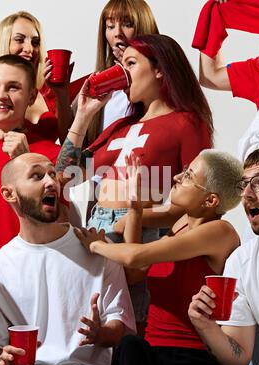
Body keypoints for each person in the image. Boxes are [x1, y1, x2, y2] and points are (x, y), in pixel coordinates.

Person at [57, 34, 213, 328]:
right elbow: (64, 177)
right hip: (97, 228)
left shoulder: (187, 122)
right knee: (94, 320)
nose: (123, 72)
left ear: (159, 69)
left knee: (130, 324)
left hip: (140, 230)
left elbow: (199, 198)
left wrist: (137, 216)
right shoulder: (119, 126)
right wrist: (83, 117)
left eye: (131, 62)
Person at [74, 149, 243, 365]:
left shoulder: (220, 232)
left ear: (211, 200)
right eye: (184, 171)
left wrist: (95, 246)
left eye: (189, 176)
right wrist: (135, 207)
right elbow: (135, 272)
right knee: (130, 346)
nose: (177, 178)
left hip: (191, 359)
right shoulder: (182, 223)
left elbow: (136, 255)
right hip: (153, 353)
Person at [0, 152, 135, 365]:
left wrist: (100, 334)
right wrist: (4, 362)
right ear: (9, 193)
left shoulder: (97, 247)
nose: (51, 182)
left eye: (51, 174)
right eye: (37, 176)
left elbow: (120, 323)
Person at [0, 54, 62, 288]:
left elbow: (61, 227)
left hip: (25, 288)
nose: (1, 95)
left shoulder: (51, 155)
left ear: (31, 96)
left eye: (13, 87)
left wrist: (25, 163)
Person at [188, 148, 259, 365]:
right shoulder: (241, 261)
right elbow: (238, 360)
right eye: (244, 185)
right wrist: (206, 326)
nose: (247, 194)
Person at [0, 11, 74, 143]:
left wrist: (62, 94)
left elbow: (69, 146)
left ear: (32, 96)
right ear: (4, 43)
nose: (29, 48)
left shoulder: (49, 96)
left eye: (35, 42)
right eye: (19, 40)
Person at [83, 0, 159, 146]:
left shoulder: (158, 81)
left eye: (127, 24)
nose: (117, 33)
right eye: (110, 26)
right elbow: (78, 149)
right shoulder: (96, 83)